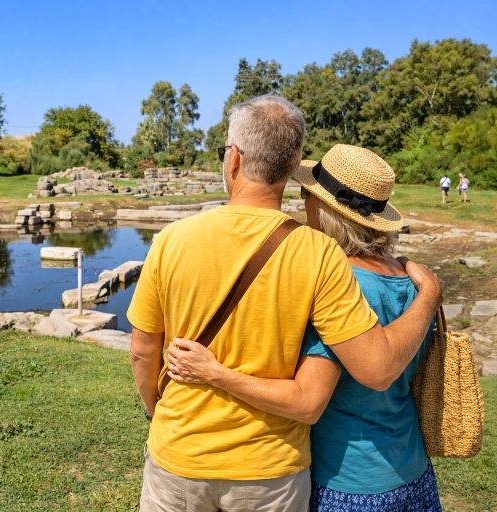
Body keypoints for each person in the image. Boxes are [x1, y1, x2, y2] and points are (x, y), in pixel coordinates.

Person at [127, 96, 441, 512]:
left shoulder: (172, 239)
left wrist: (158, 411)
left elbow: (142, 350)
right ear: (292, 168)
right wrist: (429, 294)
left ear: (233, 160)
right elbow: (372, 369)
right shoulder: (320, 254)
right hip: (273, 467)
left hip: (181, 453)